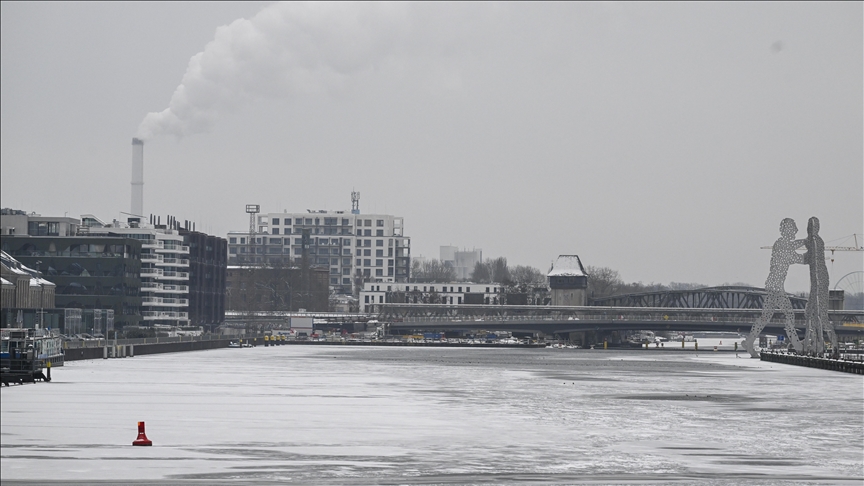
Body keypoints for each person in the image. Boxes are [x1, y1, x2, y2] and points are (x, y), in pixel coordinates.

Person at [743, 218, 805, 357]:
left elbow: (794, 250)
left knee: (765, 317)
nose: (796, 231)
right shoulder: (781, 244)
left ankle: (749, 341)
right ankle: (798, 346)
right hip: (776, 287)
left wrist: (806, 243)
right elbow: (798, 258)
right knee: (789, 314)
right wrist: (808, 243)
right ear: (786, 230)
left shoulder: (783, 245)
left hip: (773, 285)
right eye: (793, 228)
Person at [801, 217, 837, 356]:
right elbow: (808, 259)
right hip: (816, 282)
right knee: (809, 314)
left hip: (819, 281)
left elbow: (815, 261)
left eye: (812, 226)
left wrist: (816, 289)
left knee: (820, 316)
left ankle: (828, 345)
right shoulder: (810, 241)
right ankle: (813, 343)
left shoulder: (816, 241)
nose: (810, 229)